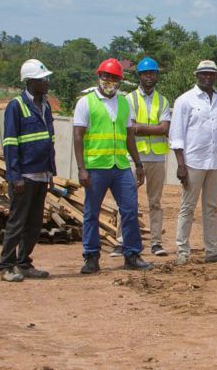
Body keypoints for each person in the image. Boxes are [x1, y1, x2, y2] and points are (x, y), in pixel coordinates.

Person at [73, 58, 152, 274]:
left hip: (120, 167)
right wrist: (81, 168)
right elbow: (78, 137)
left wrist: (138, 164)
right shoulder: (86, 102)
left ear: (120, 80)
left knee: (129, 210)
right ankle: (91, 257)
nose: (109, 80)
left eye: (114, 77)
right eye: (106, 76)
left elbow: (129, 137)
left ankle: (132, 254)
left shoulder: (125, 103)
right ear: (99, 77)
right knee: (91, 212)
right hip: (96, 167)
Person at [170, 60, 217, 265]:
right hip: (193, 162)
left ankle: (212, 251)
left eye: (211, 74)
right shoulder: (185, 100)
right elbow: (177, 134)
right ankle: (182, 250)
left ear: (216, 77)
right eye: (203, 74)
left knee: (211, 207)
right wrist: (181, 165)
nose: (207, 77)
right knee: (187, 206)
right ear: (197, 76)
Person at [0, 59, 55, 282]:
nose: (47, 82)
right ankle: (6, 265)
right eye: (43, 80)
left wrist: (51, 172)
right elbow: (10, 143)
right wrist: (14, 176)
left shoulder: (46, 105)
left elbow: (49, 141)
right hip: (24, 176)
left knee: (34, 223)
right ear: (30, 82)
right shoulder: (16, 106)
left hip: (41, 173)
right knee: (17, 222)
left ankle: (23, 263)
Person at [110, 57, 170, 258]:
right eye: (146, 73)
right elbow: (131, 129)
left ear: (156, 76)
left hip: (157, 158)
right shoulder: (129, 99)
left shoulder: (163, 101)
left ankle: (156, 242)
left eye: (152, 73)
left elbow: (164, 128)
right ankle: (122, 240)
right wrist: (154, 130)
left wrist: (142, 128)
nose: (149, 77)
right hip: (134, 156)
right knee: (127, 201)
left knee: (155, 202)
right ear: (140, 76)